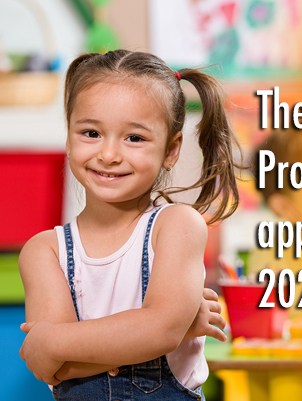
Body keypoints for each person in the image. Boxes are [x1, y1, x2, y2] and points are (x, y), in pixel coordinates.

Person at [18, 49, 243, 400]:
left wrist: (51, 339)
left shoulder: (177, 227)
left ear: (171, 150)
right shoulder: (43, 250)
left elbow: (160, 330)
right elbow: (53, 369)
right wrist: (171, 327)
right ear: (68, 137)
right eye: (91, 133)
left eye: (134, 138)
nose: (108, 154)